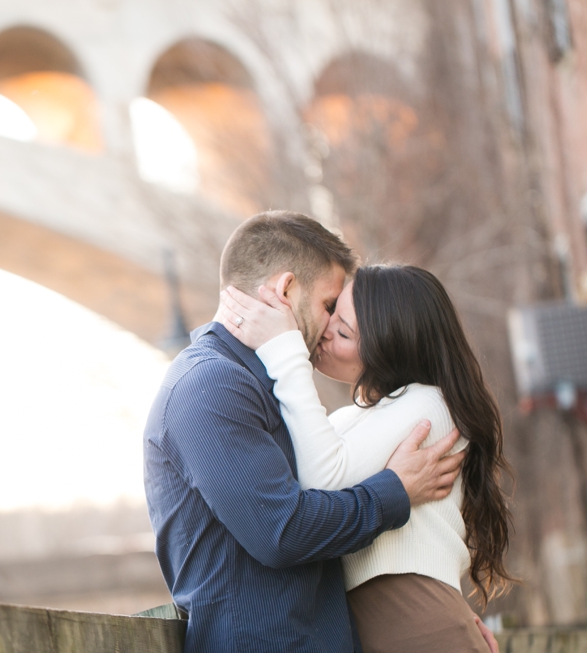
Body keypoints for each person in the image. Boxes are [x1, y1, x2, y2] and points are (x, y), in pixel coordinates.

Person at [143, 211, 470, 653]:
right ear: (285, 291)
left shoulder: (263, 383)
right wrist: (395, 491)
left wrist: (440, 616)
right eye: (329, 305)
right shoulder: (211, 386)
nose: (332, 324)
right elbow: (283, 532)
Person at [217, 263, 513, 652]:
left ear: (389, 348)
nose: (322, 332)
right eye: (331, 313)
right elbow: (302, 497)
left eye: (342, 331)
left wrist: (285, 351)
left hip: (418, 626)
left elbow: (325, 479)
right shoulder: (351, 421)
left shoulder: (431, 407)